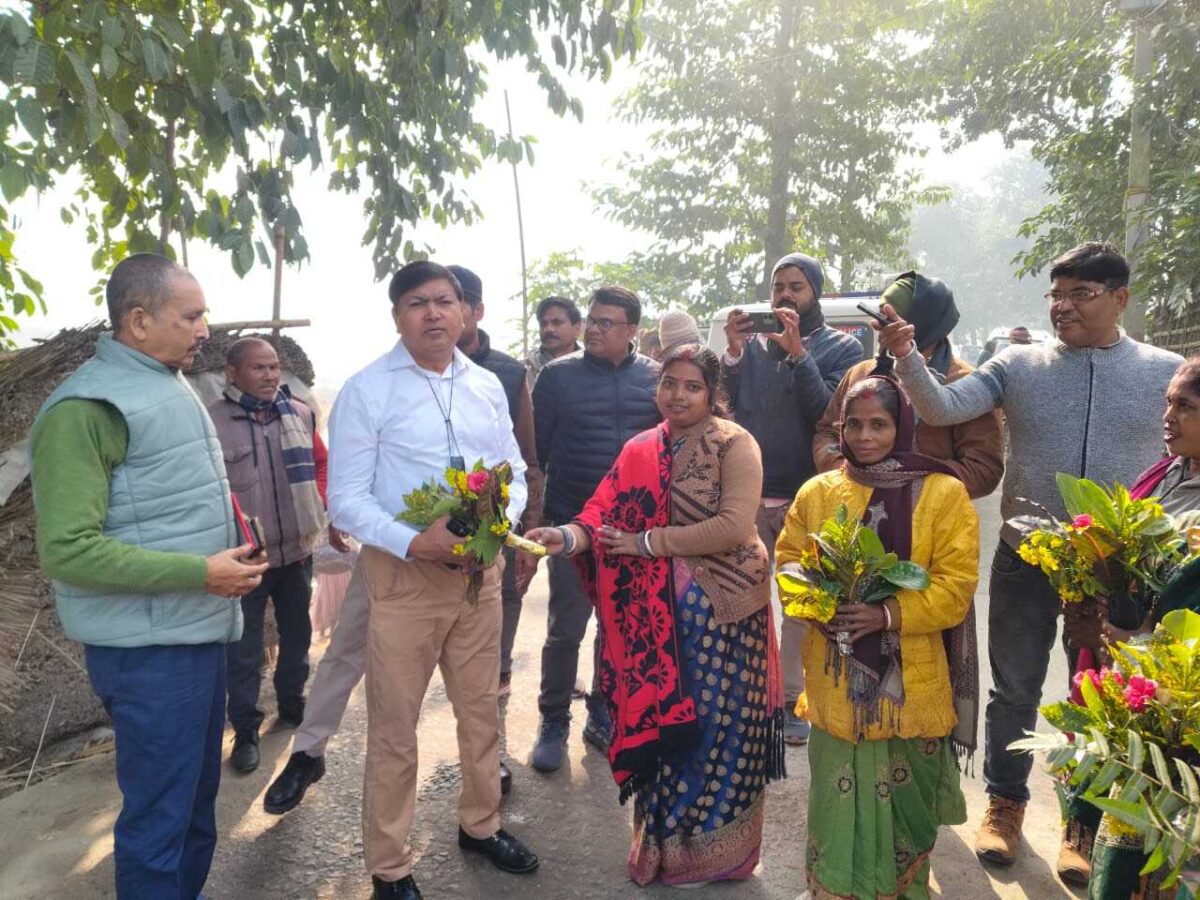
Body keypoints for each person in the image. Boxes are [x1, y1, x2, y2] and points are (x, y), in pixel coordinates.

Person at [874, 241, 1183, 871]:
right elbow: (943, 406)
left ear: (1120, 299)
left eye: (1080, 295)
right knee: (1014, 688)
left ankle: (1082, 821)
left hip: (1118, 567)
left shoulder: (1165, 372)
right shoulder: (1017, 364)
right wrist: (906, 355)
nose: (1062, 307)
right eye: (1056, 295)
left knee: (1098, 692)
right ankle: (1005, 804)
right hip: (1026, 556)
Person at [28, 253, 269, 899]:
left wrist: (231, 538)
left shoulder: (162, 381)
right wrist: (199, 572)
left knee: (193, 808)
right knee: (160, 821)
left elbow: (160, 505)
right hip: (149, 653)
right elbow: (68, 551)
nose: (204, 329)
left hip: (193, 634)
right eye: (191, 316)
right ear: (138, 321)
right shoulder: (86, 408)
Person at [527, 344, 785, 887]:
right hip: (654, 620)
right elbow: (602, 511)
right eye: (669, 383)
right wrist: (567, 536)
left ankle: (723, 854)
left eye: (692, 387)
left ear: (712, 394)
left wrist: (649, 542)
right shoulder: (641, 448)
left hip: (725, 613)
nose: (678, 396)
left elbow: (735, 526)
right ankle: (668, 851)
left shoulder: (735, 443)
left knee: (720, 730)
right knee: (668, 732)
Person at [328, 260, 538, 900]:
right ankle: (390, 865)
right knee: (395, 727)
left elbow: (514, 470)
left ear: (465, 311)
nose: (434, 314)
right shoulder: (367, 390)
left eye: (445, 301)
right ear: (398, 316)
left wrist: (498, 525)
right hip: (404, 577)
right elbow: (345, 500)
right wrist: (414, 540)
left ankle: (481, 823)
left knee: (480, 711)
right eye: (417, 303)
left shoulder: (486, 385)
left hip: (478, 574)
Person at [776, 376, 979, 899]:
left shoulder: (943, 493)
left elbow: (956, 587)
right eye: (854, 425)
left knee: (905, 808)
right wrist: (821, 605)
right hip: (834, 678)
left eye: (879, 424)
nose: (865, 437)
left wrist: (886, 615)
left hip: (911, 686)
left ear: (903, 426)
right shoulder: (818, 492)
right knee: (834, 795)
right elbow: (789, 562)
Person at [722, 252, 865, 745]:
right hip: (748, 496)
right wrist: (734, 353)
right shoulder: (755, 347)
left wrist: (799, 353)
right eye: (778, 286)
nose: (785, 294)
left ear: (815, 293)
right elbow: (728, 406)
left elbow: (827, 411)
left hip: (807, 498)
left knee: (800, 605)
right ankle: (749, 694)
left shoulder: (842, 349)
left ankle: (790, 702)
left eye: (796, 286)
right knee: (743, 598)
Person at [530, 285, 661, 772]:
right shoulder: (557, 377)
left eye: (608, 323)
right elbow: (537, 454)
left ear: (633, 330)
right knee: (565, 628)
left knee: (616, 627)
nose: (595, 330)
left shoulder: (654, 378)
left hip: (630, 532)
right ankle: (553, 719)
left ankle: (602, 711)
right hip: (571, 521)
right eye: (592, 321)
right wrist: (540, 517)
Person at [208, 337, 328, 773]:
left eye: (274, 367)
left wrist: (317, 501)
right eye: (259, 368)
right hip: (245, 559)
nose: (270, 375)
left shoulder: (298, 413)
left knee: (298, 635)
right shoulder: (212, 422)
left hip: (296, 551)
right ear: (232, 373)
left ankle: (292, 703)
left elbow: (320, 463)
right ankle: (245, 730)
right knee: (244, 649)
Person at [450, 264, 543, 794]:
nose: (441, 313)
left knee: (492, 662)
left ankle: (492, 760)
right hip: (424, 545)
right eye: (428, 302)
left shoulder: (505, 374)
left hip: (494, 538)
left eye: (454, 301)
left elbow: (526, 459)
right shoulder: (401, 377)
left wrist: (524, 536)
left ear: (476, 309)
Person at [813, 272, 1004, 500]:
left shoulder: (965, 383)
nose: (881, 326)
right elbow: (827, 433)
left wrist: (905, 485)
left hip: (932, 515)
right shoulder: (862, 374)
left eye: (892, 318)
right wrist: (845, 472)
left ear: (924, 321)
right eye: (880, 315)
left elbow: (983, 470)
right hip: (854, 505)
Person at [526, 295, 582, 384]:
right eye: (543, 324)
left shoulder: (592, 370)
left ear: (576, 329)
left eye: (557, 323)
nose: (548, 329)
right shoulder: (524, 372)